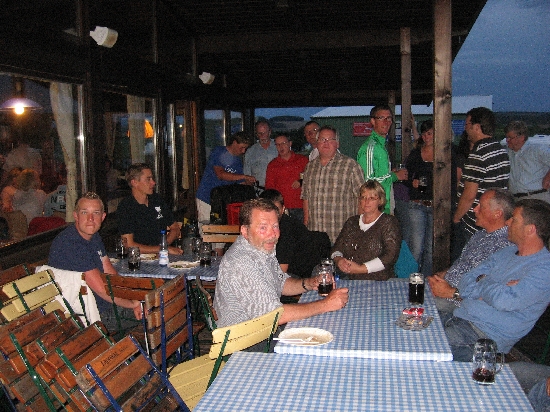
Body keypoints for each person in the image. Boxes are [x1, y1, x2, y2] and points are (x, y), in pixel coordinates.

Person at [213, 198, 349, 331]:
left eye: (275, 226)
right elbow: (274, 316)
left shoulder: (260, 248)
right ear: (244, 231)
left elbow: (281, 283)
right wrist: (326, 304)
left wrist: (309, 283)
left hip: (262, 332)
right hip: (243, 341)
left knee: (332, 324)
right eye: (263, 227)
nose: (272, 234)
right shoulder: (241, 262)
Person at [442, 199, 550, 362]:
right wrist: (495, 287)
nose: (507, 222)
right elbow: (465, 281)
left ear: (530, 229)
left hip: (482, 339)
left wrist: (483, 281)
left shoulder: (544, 269)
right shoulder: (506, 252)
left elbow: (504, 301)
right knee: (408, 325)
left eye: (514, 219)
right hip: (459, 317)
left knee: (419, 347)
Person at [48, 192, 141, 330]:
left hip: (104, 305)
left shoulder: (94, 236)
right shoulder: (71, 243)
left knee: (157, 301)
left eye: (96, 213)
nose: (90, 219)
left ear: (103, 217)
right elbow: (102, 289)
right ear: (76, 216)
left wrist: (133, 297)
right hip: (90, 316)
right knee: (158, 310)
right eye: (84, 212)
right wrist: (133, 303)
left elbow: (109, 272)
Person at [427, 188, 515, 313]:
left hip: (459, 302)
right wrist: (445, 274)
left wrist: (449, 291)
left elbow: (487, 292)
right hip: (445, 289)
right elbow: (464, 263)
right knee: (410, 289)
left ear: (497, 214)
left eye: (481, 206)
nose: (475, 209)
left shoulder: (505, 246)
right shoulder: (480, 235)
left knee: (415, 304)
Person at [452, 107, 509, 261]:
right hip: (494, 220)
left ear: (477, 127)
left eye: (467, 125)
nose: (465, 129)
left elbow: (469, 195)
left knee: (465, 263)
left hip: (474, 222)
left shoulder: (478, 154)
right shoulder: (501, 150)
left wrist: (457, 218)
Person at [301, 125, 364, 244]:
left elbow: (362, 198)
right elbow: (306, 197)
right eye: (322, 139)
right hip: (315, 235)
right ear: (317, 143)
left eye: (330, 139)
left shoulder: (351, 166)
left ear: (337, 144)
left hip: (342, 235)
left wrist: (359, 228)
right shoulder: (310, 167)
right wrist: (306, 222)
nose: (326, 143)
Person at [331, 180, 401, 280]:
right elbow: (337, 248)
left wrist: (361, 269)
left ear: (380, 200)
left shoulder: (389, 222)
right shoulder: (352, 222)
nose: (366, 202)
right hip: (349, 278)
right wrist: (339, 260)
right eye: (363, 197)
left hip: (379, 280)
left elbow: (390, 256)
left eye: (371, 198)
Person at [259, 189, 331, 278]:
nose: (272, 214)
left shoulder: (285, 229)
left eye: (276, 210)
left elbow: (281, 273)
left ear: (283, 209)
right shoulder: (262, 227)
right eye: (268, 210)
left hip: (303, 275)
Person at [117, 163, 182, 254]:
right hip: (139, 257)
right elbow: (129, 244)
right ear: (134, 182)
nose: (153, 183)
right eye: (148, 179)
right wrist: (162, 249)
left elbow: (175, 228)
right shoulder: (126, 207)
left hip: (162, 254)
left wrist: (164, 246)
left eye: (152, 178)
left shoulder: (157, 200)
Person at [357, 104, 408, 214]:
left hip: (385, 207)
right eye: (381, 118)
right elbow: (368, 182)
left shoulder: (381, 145)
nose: (386, 122)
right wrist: (395, 176)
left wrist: (391, 173)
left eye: (389, 118)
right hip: (375, 210)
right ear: (373, 121)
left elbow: (379, 176)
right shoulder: (370, 147)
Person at [195, 131, 256, 223]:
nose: (243, 151)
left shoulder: (238, 161)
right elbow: (221, 175)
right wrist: (244, 176)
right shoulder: (218, 151)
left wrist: (249, 182)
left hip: (222, 200)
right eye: (242, 147)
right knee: (207, 227)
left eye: (245, 148)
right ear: (234, 142)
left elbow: (240, 181)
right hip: (207, 197)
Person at [404, 119, 434, 276]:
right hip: (417, 203)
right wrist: (412, 182)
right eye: (424, 134)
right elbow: (404, 175)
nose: (426, 137)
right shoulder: (416, 153)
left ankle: (427, 280)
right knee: (416, 247)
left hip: (435, 204)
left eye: (430, 133)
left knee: (431, 248)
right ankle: (411, 280)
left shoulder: (444, 153)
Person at [264, 133, 309, 222]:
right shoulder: (272, 165)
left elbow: (311, 179)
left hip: (301, 207)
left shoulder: (302, 160)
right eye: (278, 144)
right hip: (282, 208)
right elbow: (269, 189)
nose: (281, 147)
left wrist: (300, 182)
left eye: (283, 143)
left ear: (290, 143)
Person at [504, 120, 550, 204]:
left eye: (510, 137)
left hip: (537, 197)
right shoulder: (507, 152)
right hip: (516, 199)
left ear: (522, 137)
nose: (507, 140)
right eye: (506, 137)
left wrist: (548, 177)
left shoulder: (537, 150)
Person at [243, 120, 278, 187]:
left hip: (277, 189)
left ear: (270, 132)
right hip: (259, 190)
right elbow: (247, 175)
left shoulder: (278, 147)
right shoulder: (250, 151)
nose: (262, 136)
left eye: (264, 133)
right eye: (260, 133)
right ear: (256, 134)